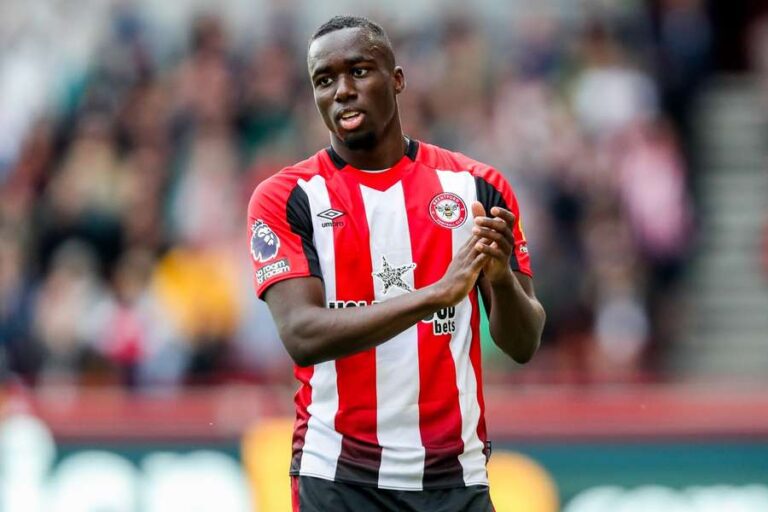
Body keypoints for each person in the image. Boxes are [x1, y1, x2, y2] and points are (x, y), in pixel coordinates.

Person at [246, 15, 545, 512]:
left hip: (454, 478)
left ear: (398, 79)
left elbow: (524, 343)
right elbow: (302, 335)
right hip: (339, 478)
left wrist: (502, 281)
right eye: (325, 80)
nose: (343, 91)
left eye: (359, 71)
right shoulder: (287, 197)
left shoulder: (477, 188)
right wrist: (436, 294)